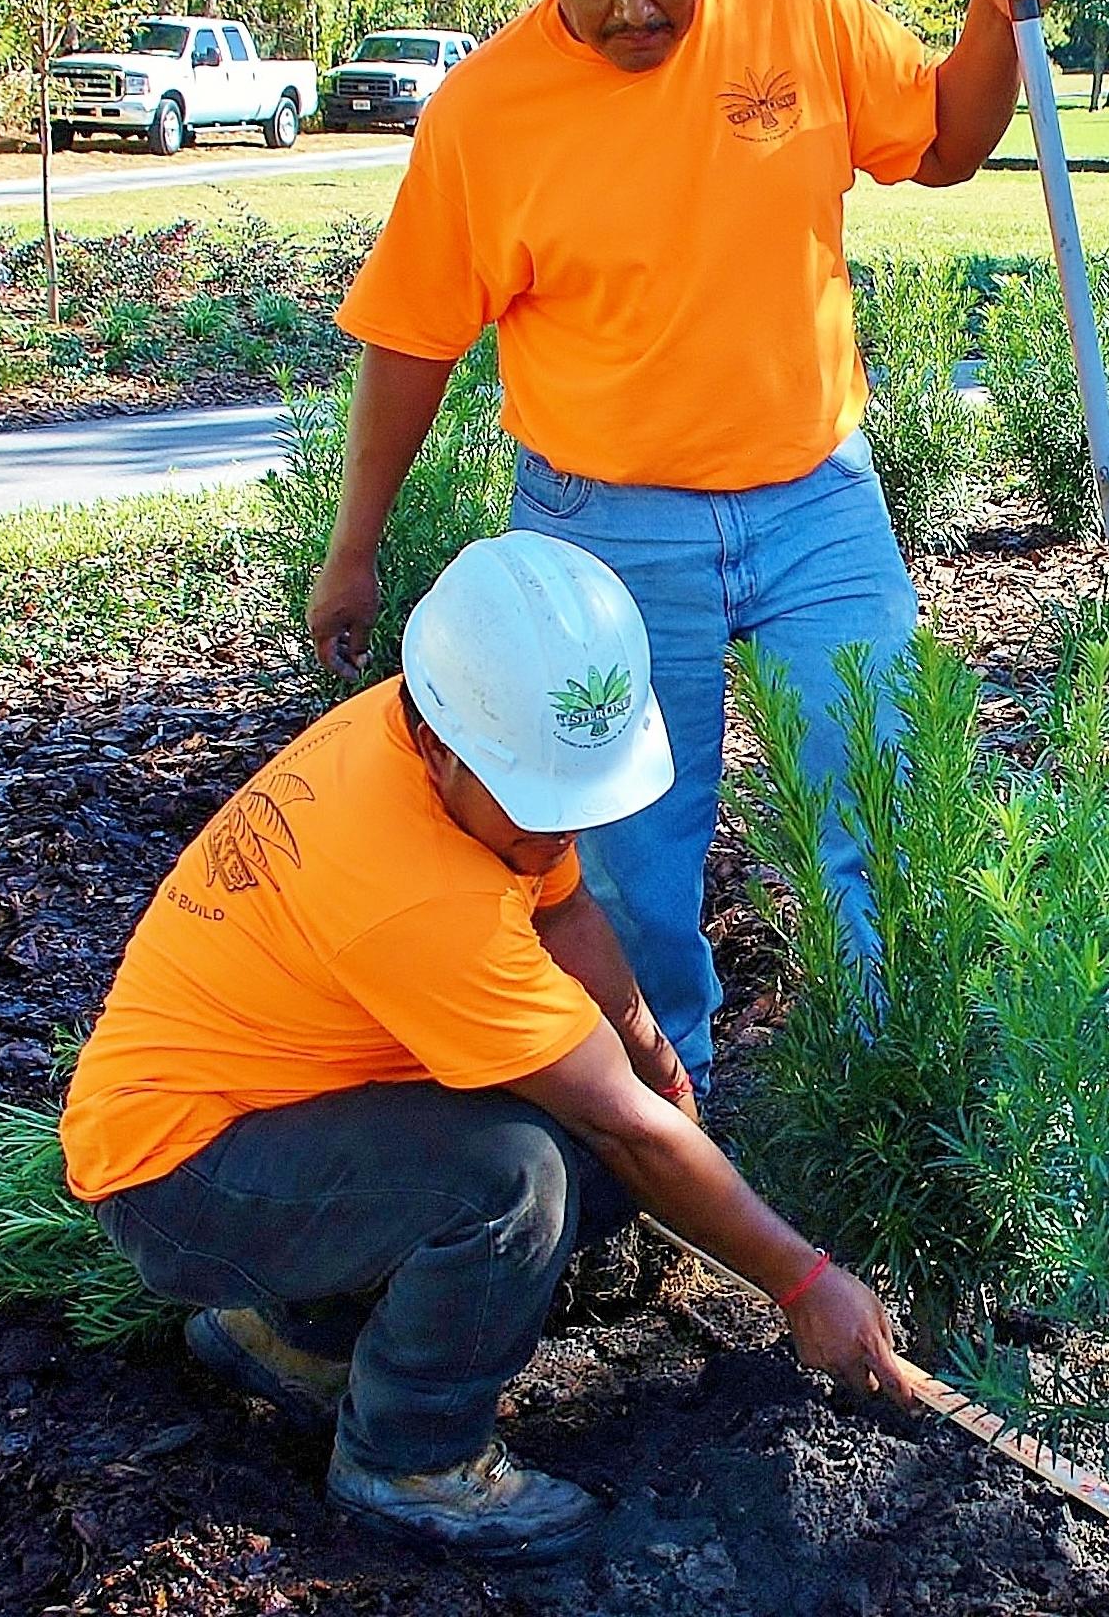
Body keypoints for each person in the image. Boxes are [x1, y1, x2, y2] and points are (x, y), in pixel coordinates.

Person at [306, 0, 1070, 1087]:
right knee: (632, 858)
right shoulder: (485, 115)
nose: (634, 3)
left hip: (814, 498)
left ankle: (883, 1096)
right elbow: (415, 340)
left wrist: (994, 14)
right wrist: (354, 547)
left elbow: (944, 141)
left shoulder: (800, 12)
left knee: (881, 800)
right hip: (604, 530)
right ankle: (674, 1116)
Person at [64, 534, 929, 1560]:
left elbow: (561, 915)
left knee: (597, 1157)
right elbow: (623, 1127)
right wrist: (802, 1282)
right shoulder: (417, 892)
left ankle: (294, 1340)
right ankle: (410, 1459)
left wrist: (651, 1046)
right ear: (439, 741)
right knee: (519, 1179)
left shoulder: (449, 750)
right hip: (184, 1175)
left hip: (281, 1116)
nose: (558, 830)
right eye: (542, 805)